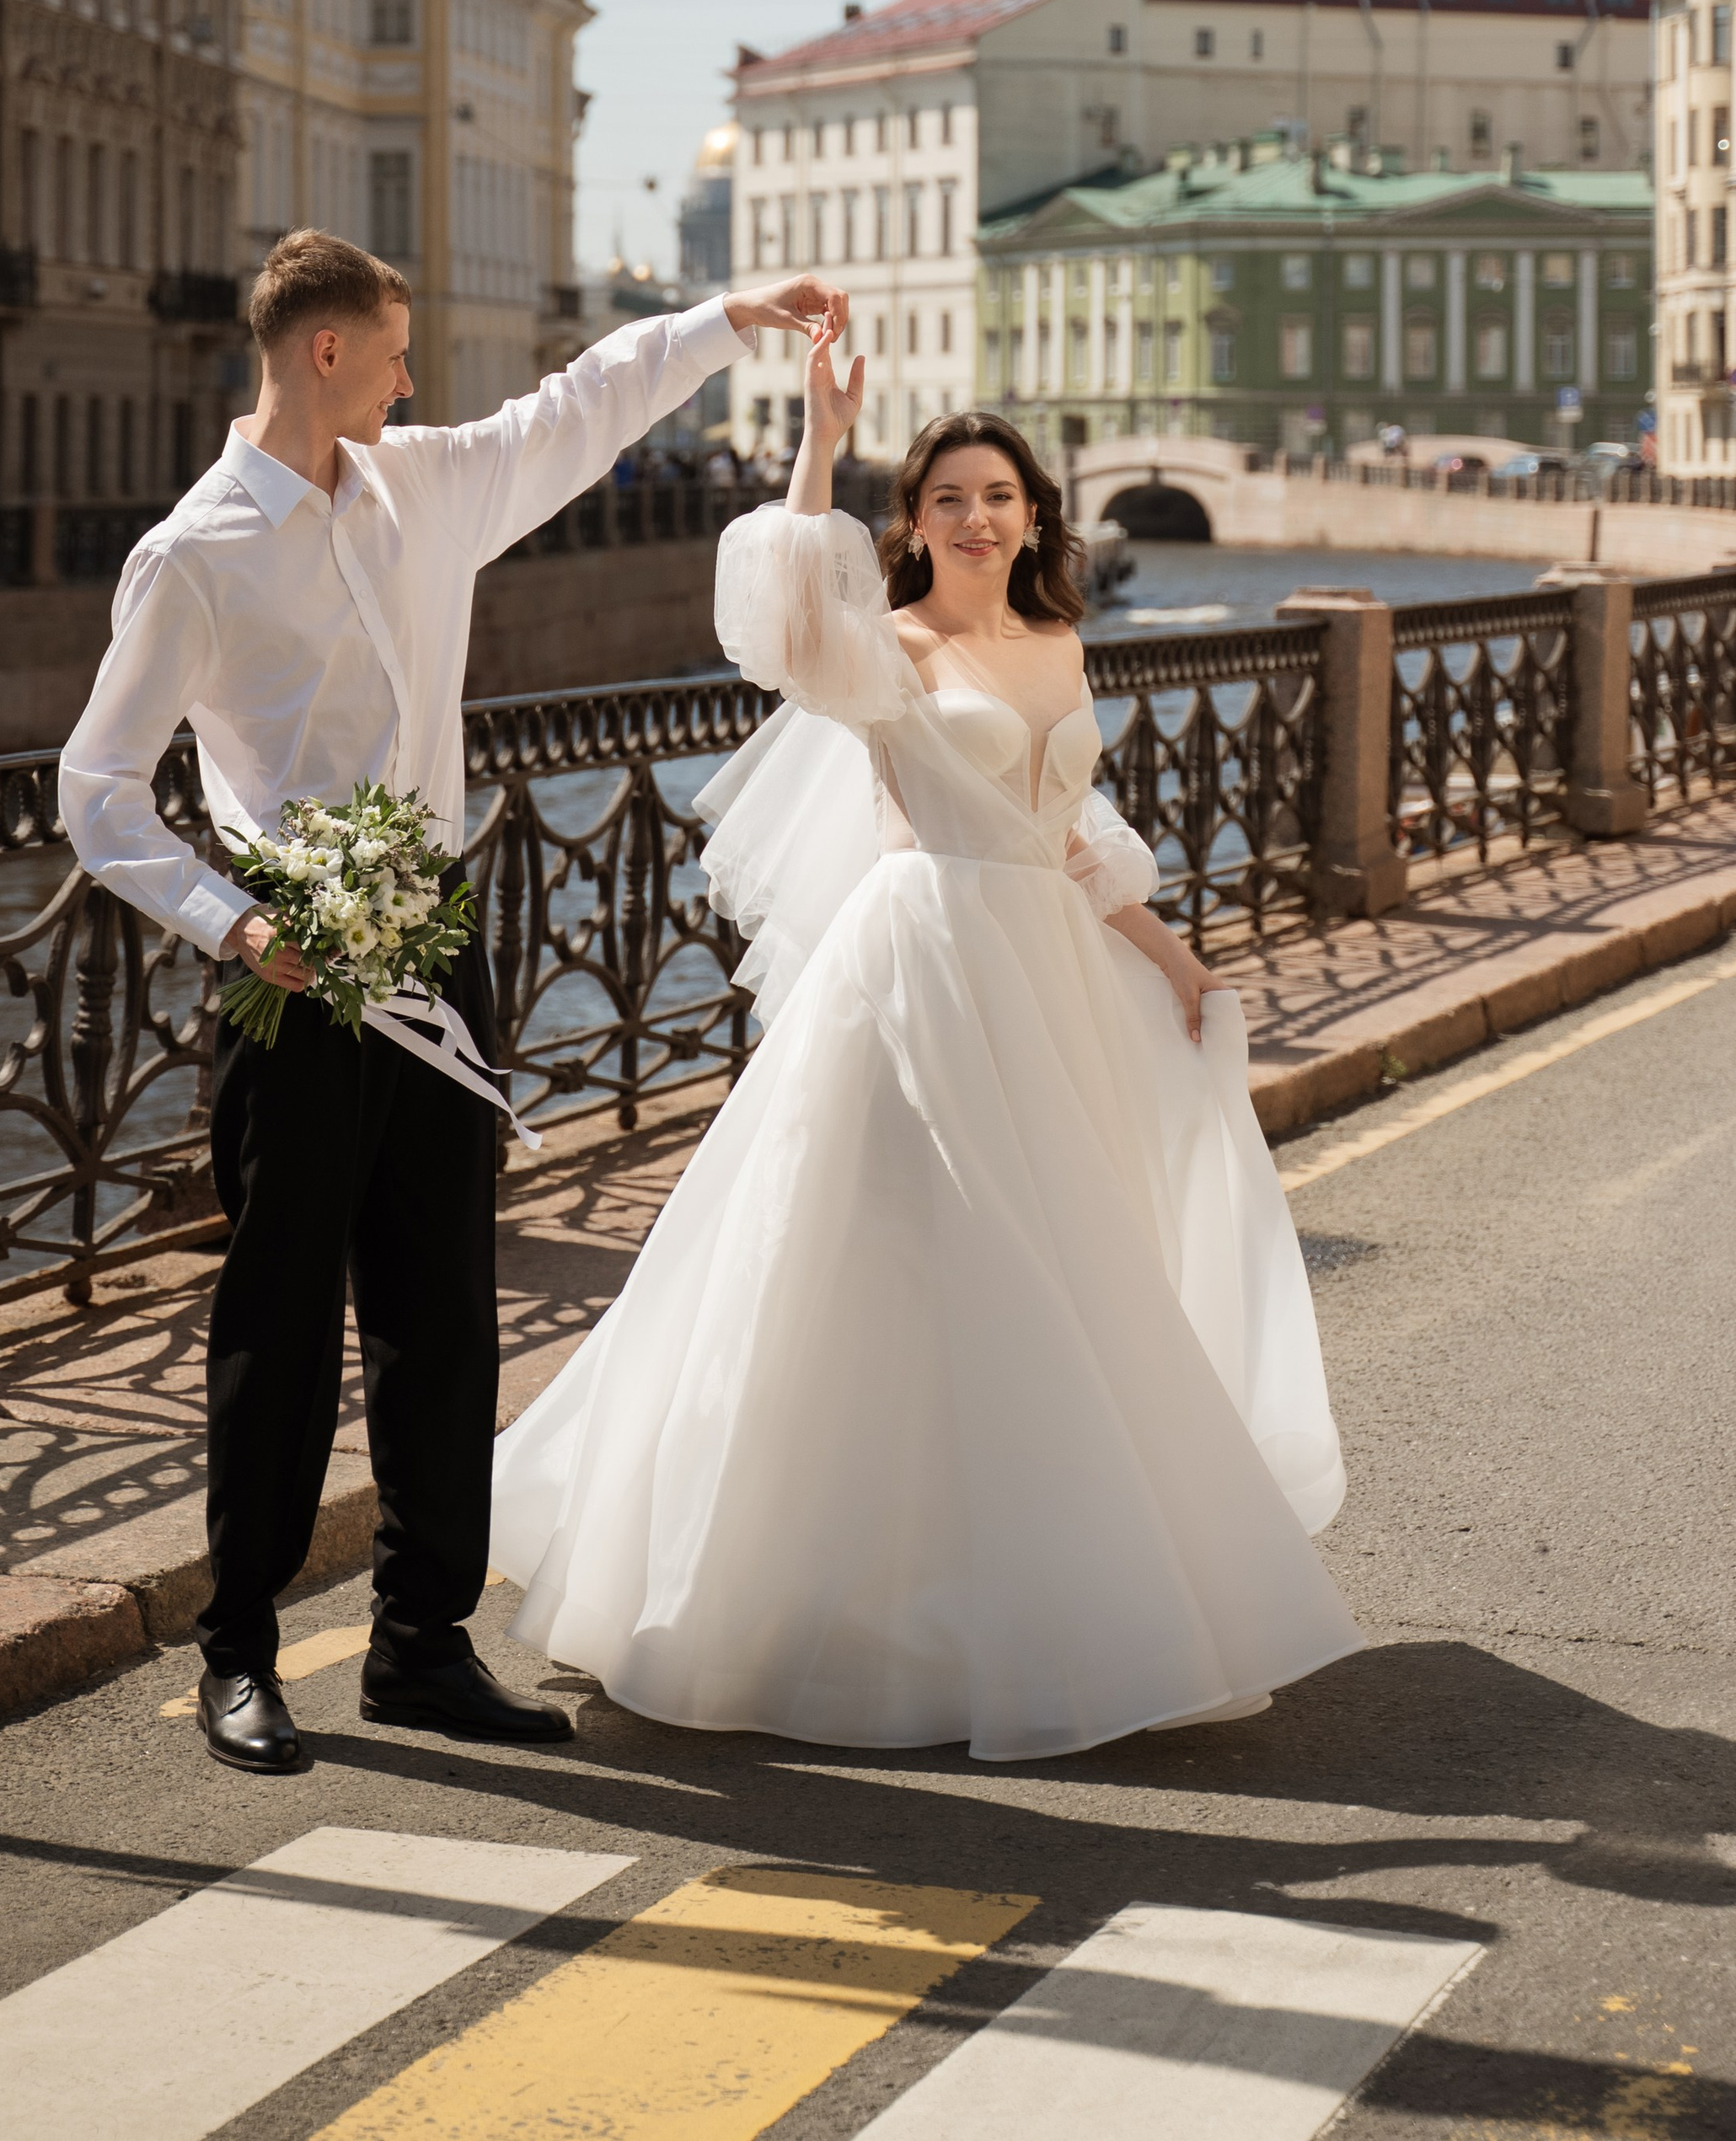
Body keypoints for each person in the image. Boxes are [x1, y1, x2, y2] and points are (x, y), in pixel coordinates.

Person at [490, 320, 1362, 1759]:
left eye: (998, 496)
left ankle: (1043, 1585)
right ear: (913, 522)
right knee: (891, 1251)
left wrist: (1172, 955)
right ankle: (808, 1601)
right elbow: (779, 626)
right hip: (918, 960)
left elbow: (1067, 833)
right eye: (949, 498)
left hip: (1046, 970)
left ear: (1036, 517)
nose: (975, 518)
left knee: (1058, 1262)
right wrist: (822, 438)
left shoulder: (1059, 642)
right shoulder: (886, 648)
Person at [58, 231, 844, 1776]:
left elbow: (576, 408)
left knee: (443, 1317)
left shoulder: (424, 487)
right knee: (281, 1322)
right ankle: (240, 1654)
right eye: (394, 352)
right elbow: (96, 792)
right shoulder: (195, 553)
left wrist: (724, 321)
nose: (413, 382)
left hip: (435, 947)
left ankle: (421, 1645)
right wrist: (231, 921)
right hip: (291, 972)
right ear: (325, 351)